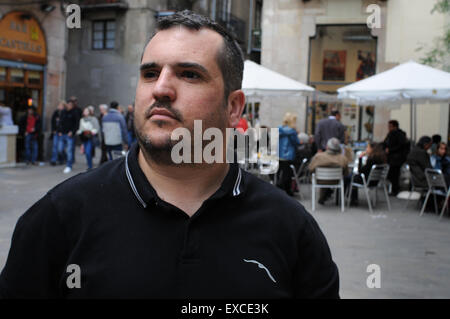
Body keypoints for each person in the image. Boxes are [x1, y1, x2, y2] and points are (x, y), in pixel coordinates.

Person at [0, 10, 339, 299]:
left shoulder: (291, 229)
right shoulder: (59, 217)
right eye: (150, 73)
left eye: (189, 74)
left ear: (234, 107)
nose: (160, 88)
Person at [309, 138, 349, 205]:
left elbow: (310, 169)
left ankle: (323, 197)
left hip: (320, 180)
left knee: (323, 177)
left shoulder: (318, 156)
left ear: (327, 147)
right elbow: (346, 173)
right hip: (336, 181)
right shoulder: (343, 158)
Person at [383, 120, 409, 195]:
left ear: (394, 126)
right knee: (392, 173)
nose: (388, 128)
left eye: (390, 126)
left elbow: (400, 146)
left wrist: (390, 150)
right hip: (392, 158)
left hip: (397, 158)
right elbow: (385, 142)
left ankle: (395, 189)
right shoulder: (391, 134)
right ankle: (395, 188)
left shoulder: (399, 134)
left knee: (394, 174)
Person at [277, 112, 300, 196]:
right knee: (288, 174)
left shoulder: (279, 129)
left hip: (279, 154)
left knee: (281, 172)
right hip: (289, 155)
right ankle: (287, 190)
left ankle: (280, 188)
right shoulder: (293, 131)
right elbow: (296, 142)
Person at [58, 99, 80, 174]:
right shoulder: (63, 112)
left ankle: (69, 165)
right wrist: (59, 131)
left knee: (69, 150)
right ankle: (66, 159)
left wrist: (72, 132)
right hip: (62, 133)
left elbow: (76, 124)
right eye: (69, 104)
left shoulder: (75, 112)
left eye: (71, 105)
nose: (70, 106)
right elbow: (60, 122)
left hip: (69, 134)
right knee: (60, 149)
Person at [50, 101, 66, 166]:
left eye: (61, 105)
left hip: (62, 133)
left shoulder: (65, 113)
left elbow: (64, 124)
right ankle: (53, 160)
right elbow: (52, 121)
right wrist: (53, 130)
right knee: (55, 146)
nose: (59, 106)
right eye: (59, 105)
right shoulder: (56, 112)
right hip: (56, 132)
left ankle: (61, 159)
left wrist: (61, 131)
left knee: (60, 148)